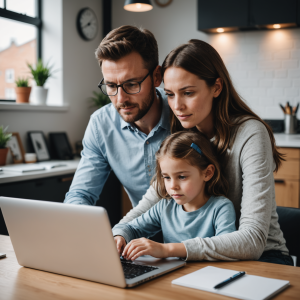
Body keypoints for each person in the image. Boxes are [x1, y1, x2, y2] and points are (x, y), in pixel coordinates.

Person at [114, 39, 294, 266]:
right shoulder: (184, 137)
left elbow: (253, 241)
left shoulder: (250, 133)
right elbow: (144, 209)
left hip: (265, 259)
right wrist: (118, 235)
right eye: (170, 94)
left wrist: (169, 249)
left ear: (216, 87)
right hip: (203, 261)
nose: (177, 106)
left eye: (187, 92)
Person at [64, 25, 170, 208]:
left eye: (131, 84)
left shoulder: (185, 113)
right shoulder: (101, 125)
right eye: (111, 86)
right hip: (138, 234)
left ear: (156, 77)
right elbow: (81, 193)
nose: (121, 99)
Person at [113, 131, 236, 261]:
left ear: (207, 173)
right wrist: (120, 236)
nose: (173, 186)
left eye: (182, 177)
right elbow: (131, 227)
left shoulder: (221, 207)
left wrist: (165, 249)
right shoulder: (164, 207)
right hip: (171, 277)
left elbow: (226, 247)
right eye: (166, 177)